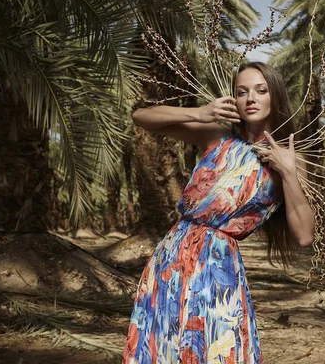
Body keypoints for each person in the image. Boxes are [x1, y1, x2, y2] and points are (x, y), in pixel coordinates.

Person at [123, 62, 315, 363]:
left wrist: (288, 173)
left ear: (275, 96)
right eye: (242, 92)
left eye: (260, 90)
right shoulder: (218, 135)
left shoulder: (292, 159)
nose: (250, 98)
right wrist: (198, 113)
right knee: (164, 346)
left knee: (216, 348)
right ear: (234, 100)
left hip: (218, 268)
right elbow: (141, 117)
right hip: (172, 259)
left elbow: (304, 235)